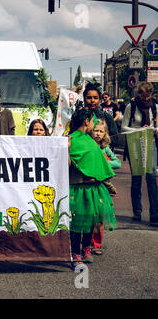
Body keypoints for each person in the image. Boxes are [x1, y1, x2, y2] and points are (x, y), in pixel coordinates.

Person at [68, 97, 116, 268]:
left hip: (93, 188)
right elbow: (67, 164)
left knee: (89, 221)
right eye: (92, 123)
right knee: (76, 222)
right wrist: (66, 149)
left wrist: (107, 184)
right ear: (87, 122)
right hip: (77, 188)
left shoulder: (90, 141)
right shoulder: (72, 139)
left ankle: (86, 248)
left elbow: (99, 165)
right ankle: (75, 253)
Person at [121, 82, 158, 227]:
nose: (145, 98)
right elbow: (124, 127)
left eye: (147, 95)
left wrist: (152, 129)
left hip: (150, 144)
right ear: (138, 94)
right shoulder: (132, 106)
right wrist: (138, 130)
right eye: (142, 95)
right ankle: (137, 210)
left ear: (151, 94)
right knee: (136, 177)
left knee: (151, 177)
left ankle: (154, 214)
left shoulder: (155, 107)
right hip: (135, 144)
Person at [90, 118, 121, 255]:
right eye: (95, 130)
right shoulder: (88, 145)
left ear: (105, 134)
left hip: (102, 187)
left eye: (101, 131)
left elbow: (117, 163)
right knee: (88, 215)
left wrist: (103, 164)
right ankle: (86, 242)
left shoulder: (105, 148)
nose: (98, 133)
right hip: (89, 185)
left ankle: (96, 244)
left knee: (100, 217)